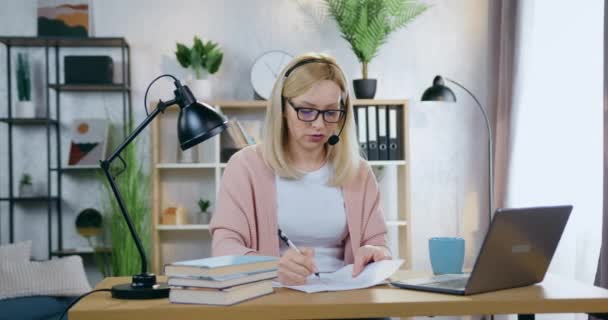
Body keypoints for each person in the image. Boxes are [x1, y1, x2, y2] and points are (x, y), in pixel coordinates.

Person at [209, 52, 391, 287]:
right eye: (306, 110)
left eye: (331, 112)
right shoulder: (245, 166)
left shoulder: (359, 172)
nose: (318, 124)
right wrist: (271, 268)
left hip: (346, 297)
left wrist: (376, 253)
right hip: (273, 298)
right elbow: (224, 247)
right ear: (283, 108)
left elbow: (378, 243)